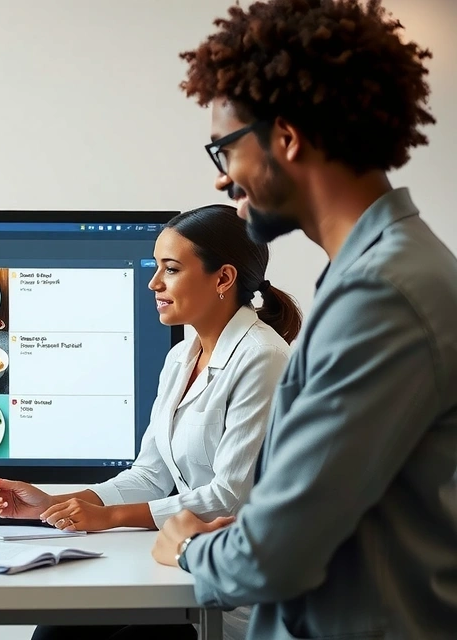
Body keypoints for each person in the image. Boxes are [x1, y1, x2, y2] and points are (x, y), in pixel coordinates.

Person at [150, 1, 457, 638]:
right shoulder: (380, 273)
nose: (222, 180)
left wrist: (186, 544)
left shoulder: (380, 295)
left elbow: (271, 560)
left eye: (224, 151)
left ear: (285, 138)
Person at [0, 204, 301, 640]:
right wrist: (56, 506)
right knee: (56, 633)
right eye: (157, 267)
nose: (154, 282)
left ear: (224, 278)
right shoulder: (180, 358)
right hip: (183, 570)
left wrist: (110, 516)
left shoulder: (263, 359)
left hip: (239, 592)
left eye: (170, 269)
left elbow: (230, 495)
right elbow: (150, 475)